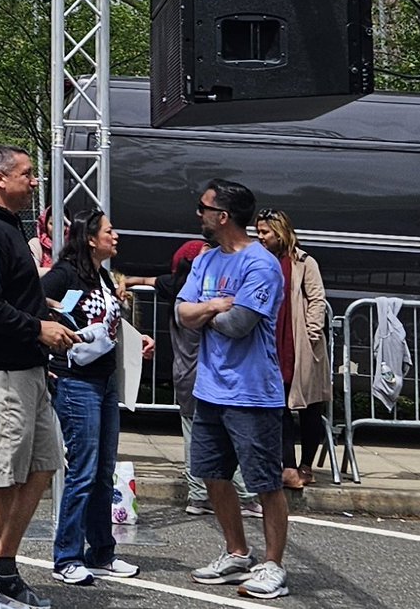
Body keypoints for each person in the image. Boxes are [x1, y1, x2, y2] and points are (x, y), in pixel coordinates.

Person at [0, 145, 79, 609]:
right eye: (27, 174)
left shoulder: (5, 226)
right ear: (0, 179)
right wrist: (37, 326)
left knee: (44, 464)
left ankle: (3, 567)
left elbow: (1, 294)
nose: (34, 182)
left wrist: (39, 308)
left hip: (26, 367)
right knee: (3, 477)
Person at [176, 179, 290, 599]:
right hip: (210, 389)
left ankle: (273, 565)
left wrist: (205, 314)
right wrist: (211, 307)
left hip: (252, 391)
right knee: (212, 474)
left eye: (203, 208)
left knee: (264, 482)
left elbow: (240, 325)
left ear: (222, 216)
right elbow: (182, 312)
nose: (198, 215)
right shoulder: (205, 261)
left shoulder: (260, 265)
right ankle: (236, 552)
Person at [43, 210, 153, 584]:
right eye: (109, 231)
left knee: (103, 472)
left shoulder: (103, 276)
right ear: (90, 238)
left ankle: (101, 552)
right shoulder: (65, 274)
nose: (115, 236)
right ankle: (67, 556)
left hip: (104, 381)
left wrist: (136, 342)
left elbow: (106, 325)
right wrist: (51, 352)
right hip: (77, 382)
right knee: (83, 471)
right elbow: (36, 308)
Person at [133, 240, 261, 516]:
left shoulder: (173, 287)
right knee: (225, 436)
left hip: (185, 375)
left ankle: (199, 495)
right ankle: (246, 495)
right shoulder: (201, 297)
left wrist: (124, 281)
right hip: (204, 376)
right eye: (204, 257)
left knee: (194, 436)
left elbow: (148, 279)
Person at [255, 208, 332, 488]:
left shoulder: (304, 262)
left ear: (281, 231)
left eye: (265, 232)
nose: (260, 237)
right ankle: (287, 466)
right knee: (279, 407)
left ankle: (306, 465)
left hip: (301, 345)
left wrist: (312, 334)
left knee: (310, 408)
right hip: (272, 342)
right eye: (258, 231)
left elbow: (317, 299)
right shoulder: (260, 260)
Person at [27, 206, 66, 275]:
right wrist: (60, 273)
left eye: (62, 224)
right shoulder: (36, 244)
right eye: (51, 223)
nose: (56, 228)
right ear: (45, 224)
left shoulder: (70, 245)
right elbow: (32, 271)